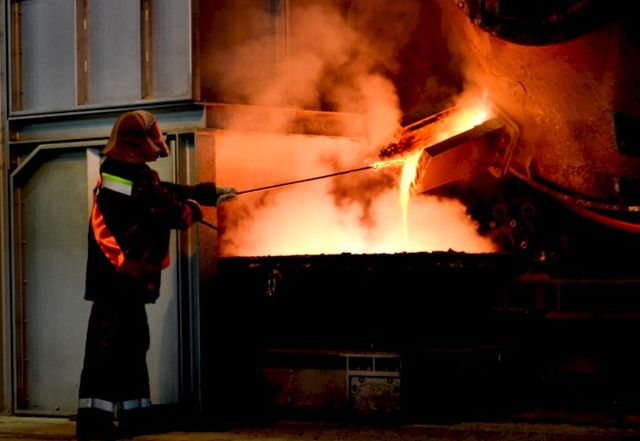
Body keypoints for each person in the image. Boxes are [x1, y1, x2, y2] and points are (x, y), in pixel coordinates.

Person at [76, 110, 236, 441]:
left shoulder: (125, 172)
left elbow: (160, 189)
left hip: (124, 281)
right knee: (108, 351)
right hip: (117, 280)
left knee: (132, 345)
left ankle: (134, 418)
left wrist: (206, 192)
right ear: (138, 142)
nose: (159, 143)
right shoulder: (122, 177)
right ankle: (95, 424)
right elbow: (164, 207)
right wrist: (192, 209)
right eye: (154, 136)